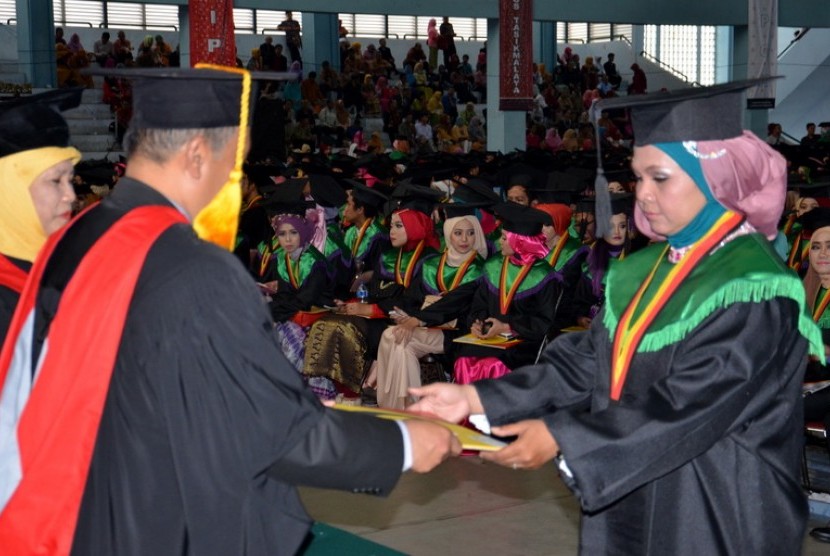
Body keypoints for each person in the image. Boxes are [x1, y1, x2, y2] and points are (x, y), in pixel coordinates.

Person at [0, 67, 459, 554]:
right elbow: (273, 432)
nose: (233, 183)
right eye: (234, 166)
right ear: (198, 156)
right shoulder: (191, 267)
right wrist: (404, 444)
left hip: (76, 501)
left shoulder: (78, 236)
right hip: (155, 519)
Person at [410, 79, 823, 554]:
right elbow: (587, 360)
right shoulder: (646, 270)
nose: (641, 194)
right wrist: (477, 398)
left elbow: (692, 402)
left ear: (717, 179)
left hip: (714, 497)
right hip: (630, 482)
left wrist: (563, 435)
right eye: (637, 177)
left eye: (660, 177)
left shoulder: (754, 286)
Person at [371, 211, 488, 409]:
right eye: (458, 233)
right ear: (448, 235)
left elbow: (456, 302)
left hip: (456, 333)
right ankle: (403, 406)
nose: (465, 239)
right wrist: (405, 314)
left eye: (470, 233)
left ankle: (396, 407)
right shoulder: (432, 265)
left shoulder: (479, 269)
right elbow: (412, 297)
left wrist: (418, 318)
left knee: (393, 336)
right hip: (426, 327)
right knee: (399, 343)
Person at [0, 89, 82, 341]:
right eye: (56, 180)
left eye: (71, 179)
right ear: (10, 188)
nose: (71, 196)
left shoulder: (64, 265)